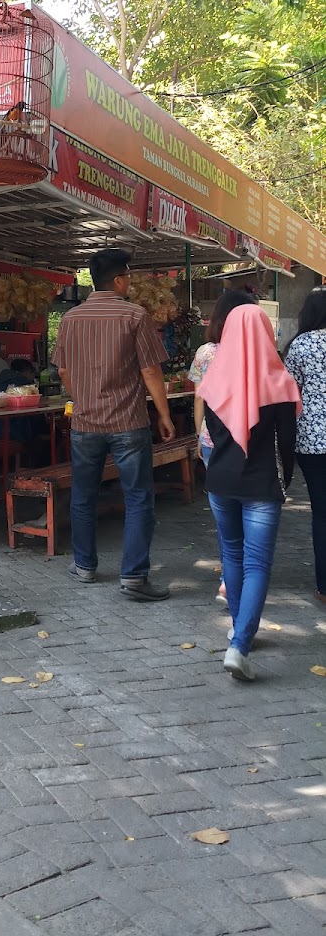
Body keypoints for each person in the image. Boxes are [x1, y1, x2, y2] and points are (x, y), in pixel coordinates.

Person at [52, 248, 175, 601]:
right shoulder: (135, 316)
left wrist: (83, 400)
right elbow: (150, 370)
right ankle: (134, 577)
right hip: (128, 423)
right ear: (119, 279)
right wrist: (164, 415)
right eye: (129, 278)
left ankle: (85, 566)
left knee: (83, 495)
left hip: (86, 424)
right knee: (138, 498)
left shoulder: (71, 319)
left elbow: (63, 370)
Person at [198, 306, 300, 681]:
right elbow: (287, 443)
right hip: (261, 485)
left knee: (232, 556)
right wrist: (283, 482)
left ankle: (240, 633)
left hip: (220, 482)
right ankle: (240, 644)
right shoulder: (279, 383)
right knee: (257, 564)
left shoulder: (213, 381)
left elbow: (212, 434)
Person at [188, 290, 258, 603]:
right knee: (248, 509)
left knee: (224, 515)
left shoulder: (205, 353)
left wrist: (197, 435)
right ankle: (242, 573)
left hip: (212, 443)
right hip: (249, 440)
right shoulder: (257, 351)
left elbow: (199, 398)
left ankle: (230, 576)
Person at [284, 286, 326, 605]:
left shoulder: (300, 344)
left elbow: (289, 389)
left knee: (321, 511)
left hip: (311, 437)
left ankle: (324, 587)